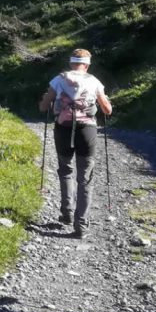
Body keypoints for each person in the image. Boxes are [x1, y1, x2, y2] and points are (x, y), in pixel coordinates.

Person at [39, 48, 112, 238]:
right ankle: (82, 225)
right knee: (85, 177)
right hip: (86, 130)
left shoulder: (59, 79)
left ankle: (67, 212)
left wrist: (46, 101)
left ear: (71, 63)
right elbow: (107, 109)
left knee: (65, 169)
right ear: (87, 64)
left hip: (63, 128)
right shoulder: (94, 81)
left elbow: (44, 106)